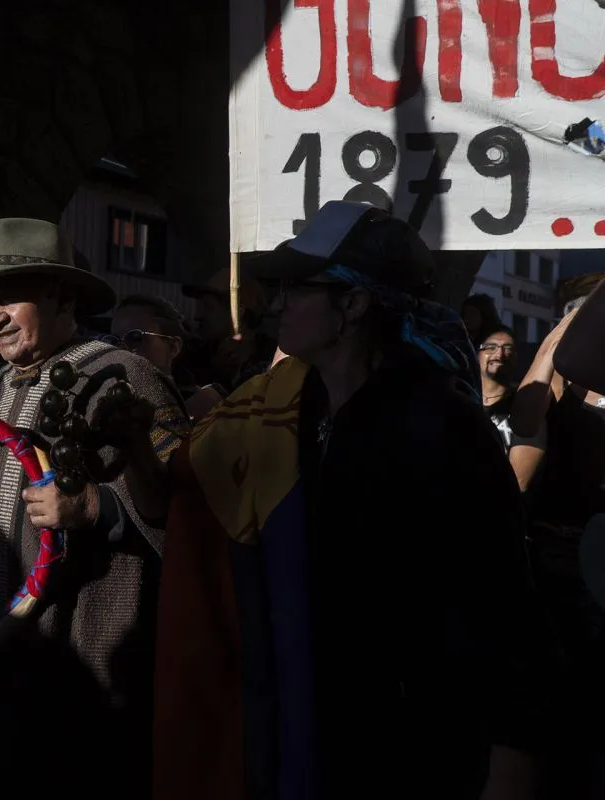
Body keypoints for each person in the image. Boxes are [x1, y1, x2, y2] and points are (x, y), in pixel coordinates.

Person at [151, 201, 543, 800]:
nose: (277, 302)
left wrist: (511, 761)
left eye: (298, 287)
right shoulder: (288, 416)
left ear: (354, 304)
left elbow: (503, 604)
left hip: (419, 743)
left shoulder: (442, 424)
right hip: (321, 732)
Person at [0, 218, 190, 797]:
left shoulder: (127, 379)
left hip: (78, 668)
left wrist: (96, 507)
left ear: (63, 297)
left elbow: (185, 511)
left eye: (10, 298)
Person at [508, 273, 605, 797]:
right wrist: (559, 336)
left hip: (600, 551)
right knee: (560, 685)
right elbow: (526, 417)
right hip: (557, 550)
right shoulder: (566, 380)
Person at [111, 294, 224, 419]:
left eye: (135, 338)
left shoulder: (207, 407)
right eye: (114, 341)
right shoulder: (106, 405)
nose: (120, 349)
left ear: (173, 347)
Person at [478, 325, 521, 450]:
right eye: (491, 348)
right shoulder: (462, 399)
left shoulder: (524, 405)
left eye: (508, 349)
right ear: (477, 354)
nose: (499, 355)